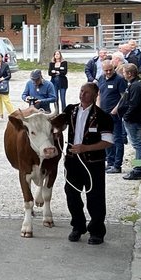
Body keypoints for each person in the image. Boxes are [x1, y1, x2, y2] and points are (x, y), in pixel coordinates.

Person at [56, 82, 116, 245]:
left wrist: (85, 148)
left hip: (93, 162)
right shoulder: (71, 109)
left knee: (95, 196)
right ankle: (77, 226)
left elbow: (108, 142)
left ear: (95, 95)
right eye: (81, 91)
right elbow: (58, 125)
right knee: (71, 193)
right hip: (72, 161)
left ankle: (96, 231)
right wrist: (56, 127)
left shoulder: (103, 116)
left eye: (87, 93)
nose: (82, 95)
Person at [116, 63, 141, 180]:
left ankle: (138, 169)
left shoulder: (136, 86)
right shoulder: (135, 84)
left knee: (137, 144)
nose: (123, 75)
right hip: (135, 118)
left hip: (133, 119)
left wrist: (126, 116)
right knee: (140, 143)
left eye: (124, 73)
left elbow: (133, 104)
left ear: (130, 73)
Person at [96, 59, 129, 174]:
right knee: (106, 138)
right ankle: (109, 162)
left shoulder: (119, 80)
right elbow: (99, 94)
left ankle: (117, 164)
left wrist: (115, 110)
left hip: (114, 115)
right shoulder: (101, 78)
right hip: (104, 114)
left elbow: (123, 97)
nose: (109, 72)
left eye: (110, 70)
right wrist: (98, 108)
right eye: (106, 70)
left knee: (117, 139)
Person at [0, 52, 15, 118]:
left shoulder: (5, 65)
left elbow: (9, 75)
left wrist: (1, 79)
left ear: (2, 58)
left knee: (6, 100)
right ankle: (0, 115)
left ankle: (13, 114)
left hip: (3, 85)